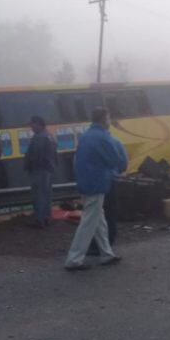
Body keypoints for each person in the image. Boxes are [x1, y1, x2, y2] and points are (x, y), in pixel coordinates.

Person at [64, 107, 124, 271]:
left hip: (85, 181)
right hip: (97, 182)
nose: (110, 121)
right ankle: (74, 259)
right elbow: (115, 160)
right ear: (105, 119)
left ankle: (106, 254)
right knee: (89, 221)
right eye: (109, 118)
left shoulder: (86, 135)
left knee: (99, 220)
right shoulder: (103, 137)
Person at [88, 133, 127, 255]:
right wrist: (114, 172)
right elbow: (123, 163)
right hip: (112, 180)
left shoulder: (91, 143)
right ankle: (107, 244)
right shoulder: (116, 142)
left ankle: (98, 246)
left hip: (97, 183)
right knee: (110, 213)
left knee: (97, 215)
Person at [24, 115, 58, 228]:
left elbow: (37, 155)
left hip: (39, 170)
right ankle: (46, 218)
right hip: (48, 169)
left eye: (32, 125)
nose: (31, 127)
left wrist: (30, 165)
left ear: (38, 124)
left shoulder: (39, 137)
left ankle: (39, 220)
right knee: (46, 194)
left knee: (38, 195)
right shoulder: (49, 135)